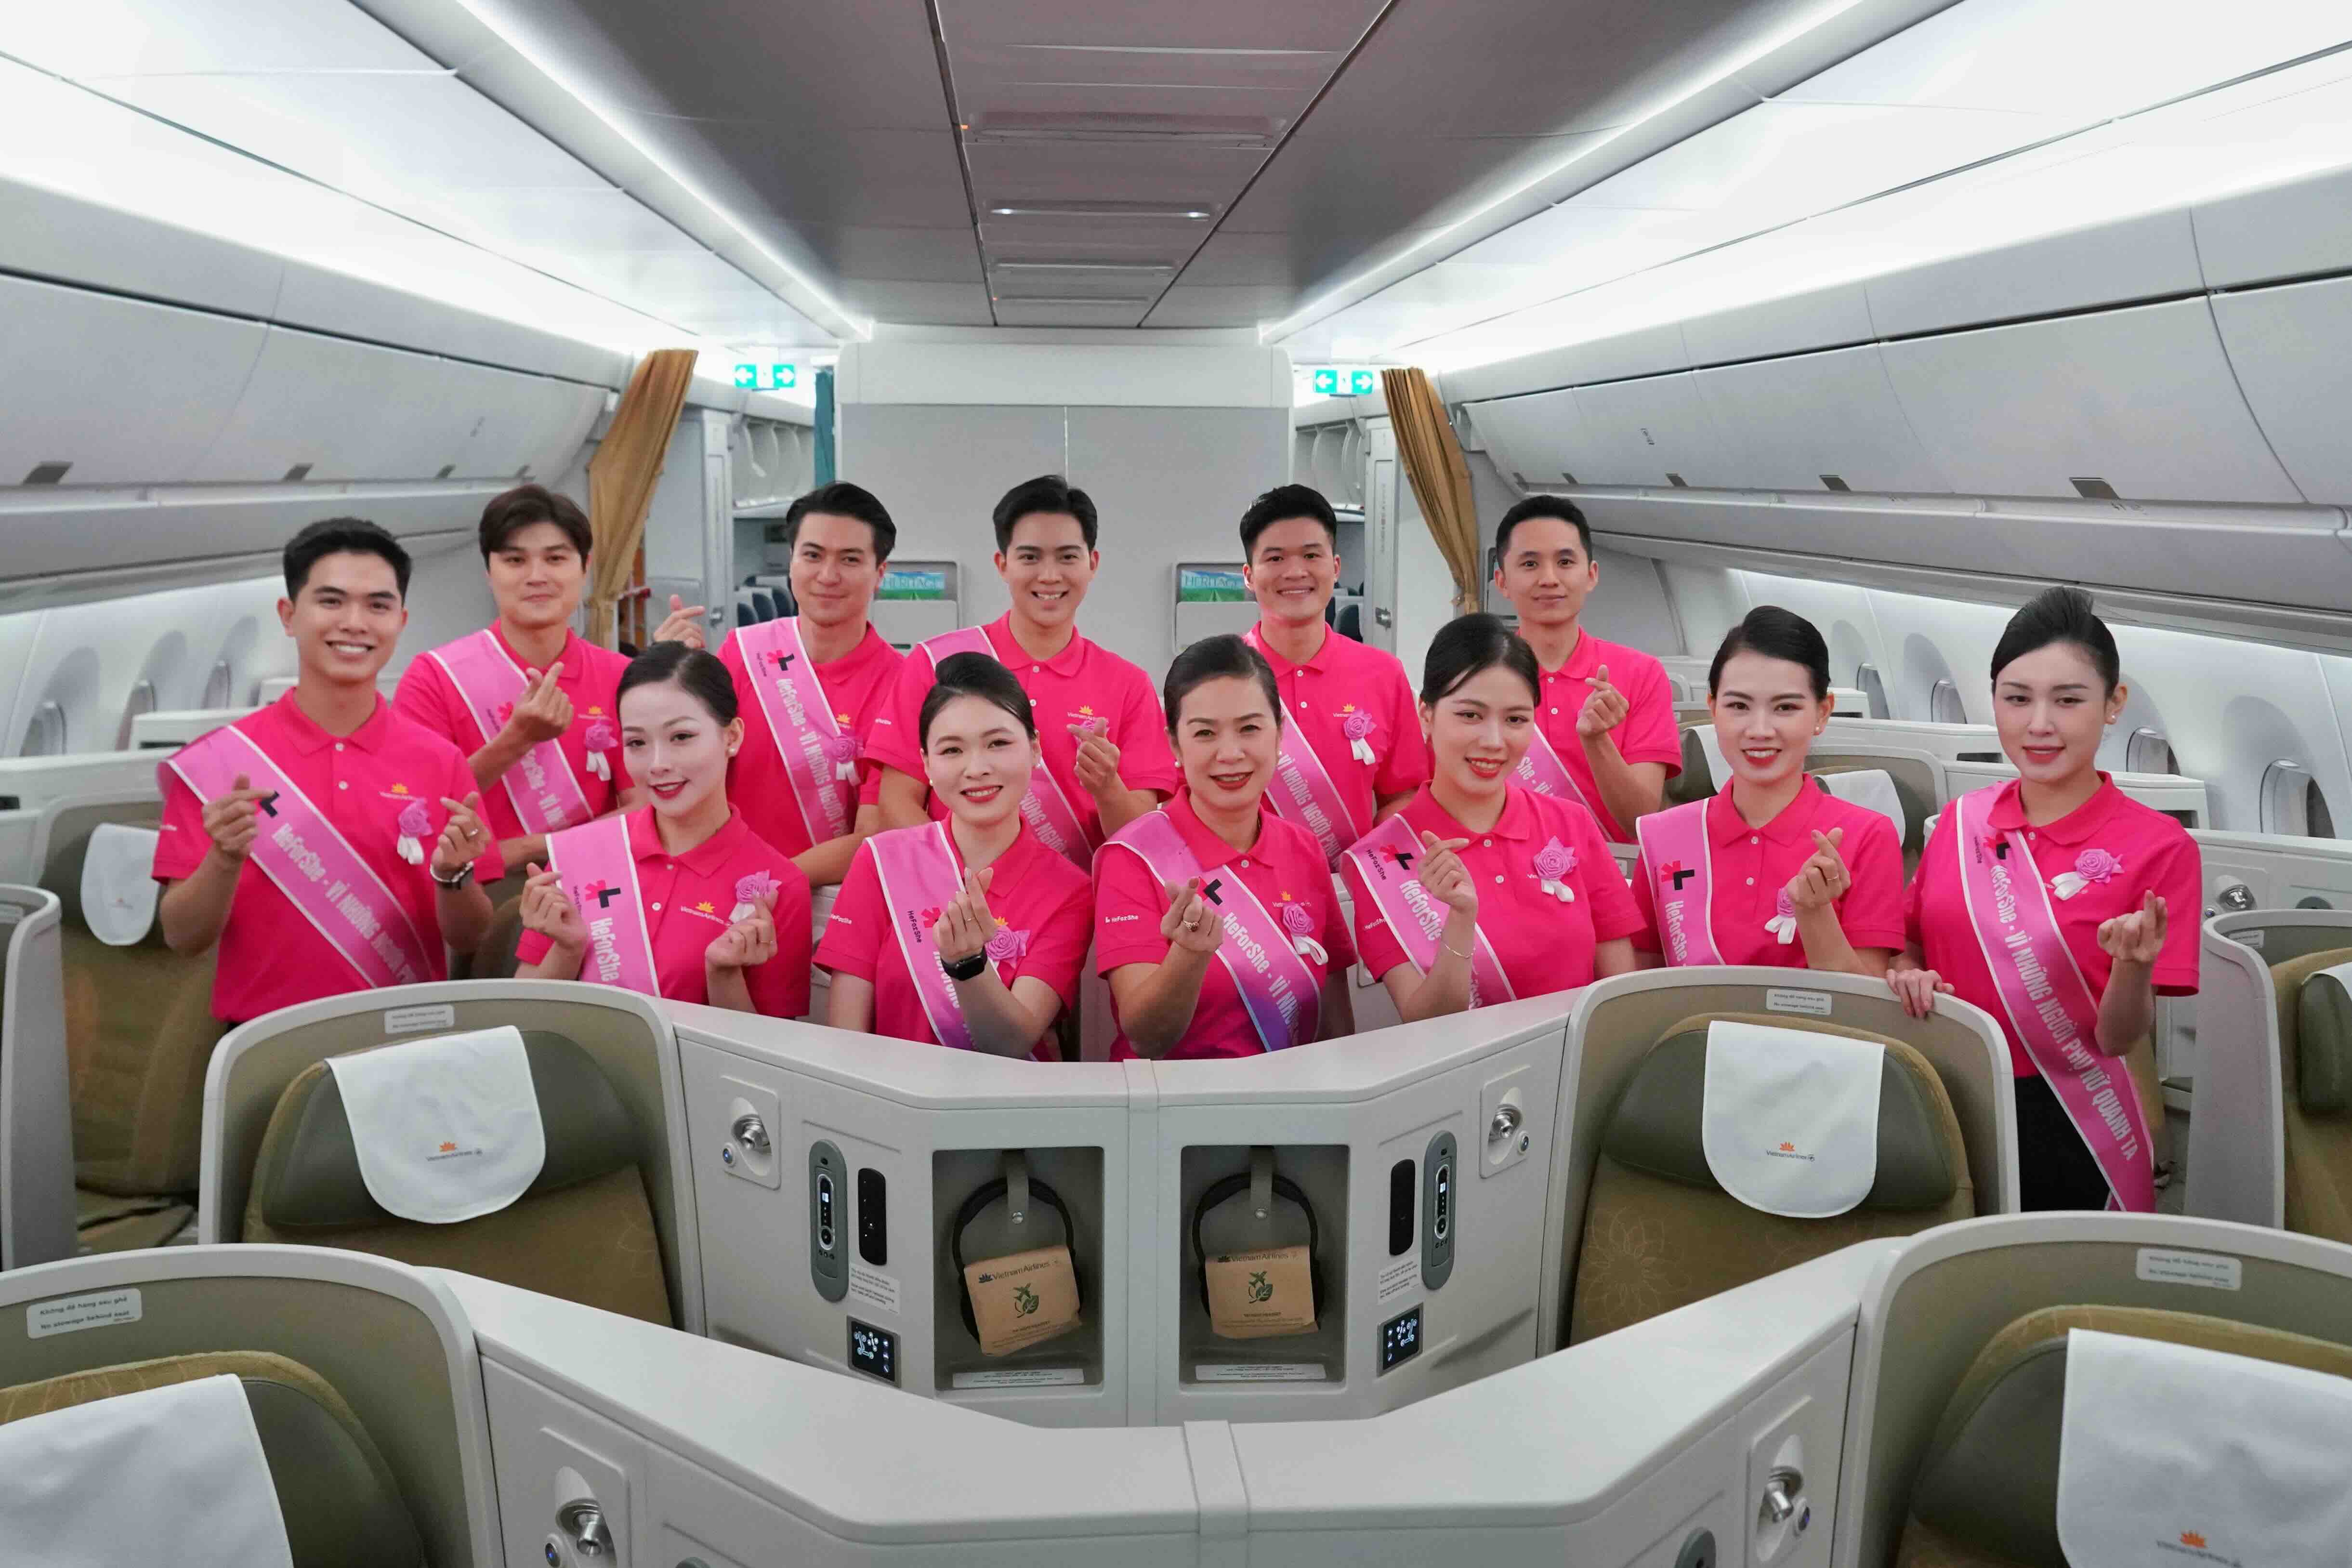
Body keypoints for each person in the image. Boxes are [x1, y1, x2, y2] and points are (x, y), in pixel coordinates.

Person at [1891, 587, 2197, 1212]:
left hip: (2072, 1119)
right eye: (2016, 698)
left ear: (2113, 704)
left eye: (2066, 699)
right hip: (1941, 1092)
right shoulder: (1959, 822)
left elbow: (2119, 1038)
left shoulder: (2159, 848)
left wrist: (2131, 967)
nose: (2038, 724)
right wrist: (1905, 973)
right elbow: (1907, 945)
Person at [156, 518, 498, 1022]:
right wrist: (224, 860)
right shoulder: (220, 763)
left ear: (401, 621)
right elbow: (183, 938)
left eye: (378, 605)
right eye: (332, 601)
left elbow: (470, 937)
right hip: (265, 1038)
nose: (355, 623)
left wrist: (453, 878)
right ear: (289, 615)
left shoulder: (440, 761)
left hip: (402, 1031)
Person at [1341, 615, 1641, 1021]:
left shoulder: (1570, 825)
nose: (1494, 741)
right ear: (1426, 714)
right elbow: (1423, 1022)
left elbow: (1618, 998)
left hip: (1577, 1057)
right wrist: (1461, 921)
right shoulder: (1380, 860)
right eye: (1470, 715)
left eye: (1515, 719)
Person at [868, 474, 1178, 867]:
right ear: (1002, 564)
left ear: (1092, 564)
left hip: (1079, 900)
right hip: (955, 895)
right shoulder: (933, 663)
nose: (1049, 576)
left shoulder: (1128, 685)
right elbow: (895, 803)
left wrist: (1107, 789)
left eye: (1067, 557)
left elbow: (1140, 837)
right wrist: (961, 880)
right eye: (1030, 557)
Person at [393, 485, 683, 881]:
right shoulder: (433, 678)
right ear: (489, 572)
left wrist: (531, 848)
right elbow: (416, 809)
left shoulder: (622, 676)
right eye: (515, 560)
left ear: (585, 568)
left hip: (595, 878)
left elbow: (646, 807)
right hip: (473, 889)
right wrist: (517, 739)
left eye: (555, 559)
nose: (536, 577)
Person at [514, 643, 811, 1017]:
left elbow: (771, 1048)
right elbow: (524, 1015)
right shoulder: (578, 855)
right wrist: (568, 949)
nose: (657, 764)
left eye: (681, 737)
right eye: (637, 743)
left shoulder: (779, 887)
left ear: (732, 736)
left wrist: (723, 977)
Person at [1094, 636, 1355, 1059]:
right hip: (1170, 1096)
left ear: (1279, 733)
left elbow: (1334, 1024)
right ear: (1175, 744)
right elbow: (1145, 1037)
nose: (1230, 754)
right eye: (1205, 733)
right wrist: (1188, 956)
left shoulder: (1304, 849)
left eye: (1250, 728)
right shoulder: (1132, 857)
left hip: (1292, 1092)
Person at [818, 654, 1092, 1056]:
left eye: (998, 743)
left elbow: (1014, 1042)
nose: (976, 768)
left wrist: (968, 966)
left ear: (1034, 749)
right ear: (926, 764)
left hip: (1012, 1095)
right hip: (891, 1092)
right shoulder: (880, 861)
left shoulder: (1070, 891)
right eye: (951, 750)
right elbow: (846, 1041)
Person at [1629, 607, 1904, 976]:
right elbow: (1640, 982)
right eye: (1738, 706)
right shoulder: (1665, 835)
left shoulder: (1867, 836)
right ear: (1713, 709)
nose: (1759, 730)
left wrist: (1815, 912)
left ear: (1822, 713)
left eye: (1785, 707)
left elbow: (1862, 1001)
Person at [691, 483, 904, 886]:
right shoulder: (743, 653)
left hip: (830, 903)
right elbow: (687, 776)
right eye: (812, 555)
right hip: (722, 884)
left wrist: (766, 884)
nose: (828, 575)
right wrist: (672, 676)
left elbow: (874, 834)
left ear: (879, 574)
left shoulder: (903, 684)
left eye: (850, 559)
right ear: (791, 561)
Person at [1237, 483, 1428, 867]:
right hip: (1243, 891)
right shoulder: (1217, 676)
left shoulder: (1383, 674)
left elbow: (1403, 795)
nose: (1295, 572)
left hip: (1349, 886)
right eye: (1275, 558)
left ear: (1335, 567)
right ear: (1249, 575)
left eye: (1311, 555)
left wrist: (1374, 866)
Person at [1488, 496, 1680, 841]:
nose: (1549, 579)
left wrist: (1596, 741)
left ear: (1591, 575)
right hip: (1500, 863)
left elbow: (1640, 822)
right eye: (1530, 564)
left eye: (1565, 561)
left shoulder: (1641, 674)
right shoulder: (1479, 676)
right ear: (1502, 582)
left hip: (1608, 866)